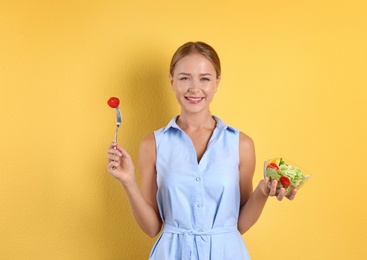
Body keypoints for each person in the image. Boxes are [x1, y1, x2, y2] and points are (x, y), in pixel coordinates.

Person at [107, 41, 297, 259]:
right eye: (184, 78)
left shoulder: (241, 144)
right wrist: (128, 180)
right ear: (171, 81)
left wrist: (263, 192)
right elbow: (151, 228)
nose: (194, 88)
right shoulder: (152, 144)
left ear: (217, 82)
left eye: (204, 79)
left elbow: (240, 224)